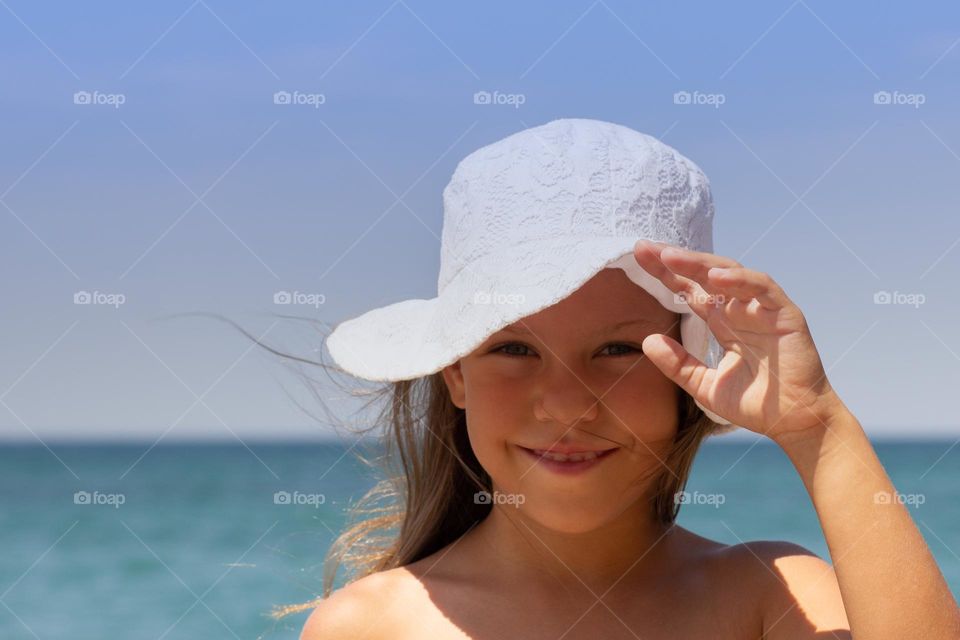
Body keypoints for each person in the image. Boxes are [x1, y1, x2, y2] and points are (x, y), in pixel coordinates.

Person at [285, 119, 958, 639]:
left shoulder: (767, 599)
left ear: (683, 373)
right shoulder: (369, 626)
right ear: (455, 373)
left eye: (618, 348)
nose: (568, 404)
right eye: (516, 350)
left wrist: (819, 428)